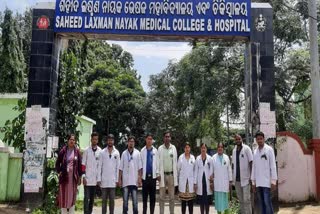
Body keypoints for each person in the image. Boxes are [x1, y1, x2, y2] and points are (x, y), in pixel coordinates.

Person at [251, 131, 277, 214]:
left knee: (267, 202)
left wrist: (273, 181)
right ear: (256, 140)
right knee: (261, 203)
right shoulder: (255, 152)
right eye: (258, 139)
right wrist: (253, 182)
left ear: (264, 139)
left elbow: (273, 166)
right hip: (258, 182)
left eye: (261, 139)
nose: (259, 141)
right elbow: (254, 168)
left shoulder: (269, 150)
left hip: (267, 182)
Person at [56, 134, 82, 214]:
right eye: (71, 139)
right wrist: (59, 171)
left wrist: (80, 177)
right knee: (63, 196)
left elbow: (80, 165)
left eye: (73, 140)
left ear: (75, 142)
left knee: (72, 197)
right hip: (64, 178)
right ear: (68, 141)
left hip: (73, 179)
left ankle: (71, 213)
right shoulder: (63, 151)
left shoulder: (77, 152)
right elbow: (57, 163)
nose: (72, 141)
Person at [119, 136, 142, 214]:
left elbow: (140, 168)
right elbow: (120, 168)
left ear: (134, 143)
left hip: (134, 181)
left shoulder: (137, 153)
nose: (131, 143)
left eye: (132, 141)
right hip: (125, 182)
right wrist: (119, 179)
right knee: (125, 203)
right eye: (130, 141)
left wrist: (139, 178)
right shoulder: (124, 153)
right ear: (127, 143)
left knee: (135, 203)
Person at [97, 134, 120, 214]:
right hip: (104, 181)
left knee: (112, 202)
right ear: (107, 141)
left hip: (113, 181)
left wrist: (117, 180)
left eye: (111, 140)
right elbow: (99, 166)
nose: (110, 141)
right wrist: (99, 179)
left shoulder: (116, 152)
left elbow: (118, 167)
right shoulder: (102, 152)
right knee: (103, 202)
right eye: (109, 140)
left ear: (113, 141)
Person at [157, 131, 178, 214]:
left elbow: (175, 162)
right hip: (162, 175)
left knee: (172, 198)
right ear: (163, 138)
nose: (167, 138)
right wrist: (158, 174)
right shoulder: (160, 148)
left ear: (170, 138)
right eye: (165, 136)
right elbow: (157, 163)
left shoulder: (173, 148)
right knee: (161, 197)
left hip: (171, 176)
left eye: (168, 136)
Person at [232, 134, 253, 214]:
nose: (238, 141)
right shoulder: (234, 150)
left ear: (242, 139)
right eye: (236, 139)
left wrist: (251, 177)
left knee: (246, 200)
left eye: (239, 139)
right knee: (240, 200)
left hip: (246, 179)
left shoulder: (247, 149)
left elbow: (251, 162)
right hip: (237, 180)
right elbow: (233, 164)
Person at [82, 132, 101, 214]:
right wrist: (83, 176)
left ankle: (90, 212)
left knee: (92, 199)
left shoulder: (100, 151)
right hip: (87, 179)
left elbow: (100, 166)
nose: (95, 141)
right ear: (91, 139)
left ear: (97, 140)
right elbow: (83, 165)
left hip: (95, 180)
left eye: (96, 139)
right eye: (93, 139)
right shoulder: (86, 150)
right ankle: (85, 212)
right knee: (86, 198)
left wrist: (99, 179)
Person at [140, 133, 159, 214]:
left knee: (152, 198)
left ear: (152, 140)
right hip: (145, 178)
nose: (149, 140)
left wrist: (157, 175)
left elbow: (157, 164)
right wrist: (140, 177)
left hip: (153, 178)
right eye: (148, 139)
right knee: (144, 198)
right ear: (146, 139)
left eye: (151, 139)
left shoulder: (155, 150)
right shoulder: (142, 150)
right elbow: (140, 165)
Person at [212, 143, 232, 214]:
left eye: (221, 147)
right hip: (217, 184)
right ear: (217, 148)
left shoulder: (226, 157)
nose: (220, 148)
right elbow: (211, 171)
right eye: (219, 147)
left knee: (226, 203)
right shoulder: (213, 158)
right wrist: (211, 182)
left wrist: (230, 181)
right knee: (218, 204)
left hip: (225, 184)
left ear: (223, 148)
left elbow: (229, 170)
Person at [177, 142, 196, 214]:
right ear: (184, 149)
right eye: (186, 148)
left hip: (190, 182)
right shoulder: (181, 157)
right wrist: (179, 180)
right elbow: (178, 169)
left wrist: (194, 182)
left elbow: (194, 170)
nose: (187, 149)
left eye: (188, 147)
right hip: (183, 183)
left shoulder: (193, 157)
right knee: (183, 202)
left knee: (191, 202)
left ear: (190, 148)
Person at [194, 143, 213, 214]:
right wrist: (195, 183)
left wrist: (211, 182)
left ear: (206, 149)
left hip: (207, 182)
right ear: (200, 149)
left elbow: (211, 171)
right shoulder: (197, 158)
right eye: (202, 148)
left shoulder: (210, 158)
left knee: (207, 201)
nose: (203, 149)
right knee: (201, 201)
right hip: (200, 182)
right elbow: (195, 171)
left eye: (204, 148)